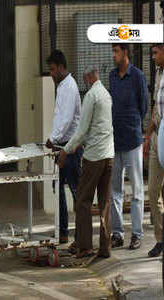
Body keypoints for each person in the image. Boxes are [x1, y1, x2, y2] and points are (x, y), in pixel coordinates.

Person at [57, 65, 114, 258]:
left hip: (94, 156)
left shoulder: (91, 96)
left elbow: (81, 131)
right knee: (105, 202)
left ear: (88, 77)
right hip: (109, 156)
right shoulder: (106, 94)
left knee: (83, 200)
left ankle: (85, 245)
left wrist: (65, 151)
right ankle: (105, 247)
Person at [109, 44, 148, 250]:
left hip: (133, 141)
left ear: (125, 52)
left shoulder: (138, 76)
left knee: (136, 191)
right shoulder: (113, 77)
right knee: (115, 190)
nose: (113, 55)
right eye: (112, 51)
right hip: (115, 142)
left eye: (116, 51)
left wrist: (134, 124)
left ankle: (137, 234)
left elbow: (143, 106)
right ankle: (117, 233)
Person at [45, 50, 82, 245]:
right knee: (57, 187)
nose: (50, 73)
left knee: (76, 191)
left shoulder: (68, 87)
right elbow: (60, 118)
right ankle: (63, 231)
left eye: (52, 69)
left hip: (70, 148)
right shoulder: (62, 86)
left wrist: (53, 138)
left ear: (60, 67)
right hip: (62, 145)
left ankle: (79, 235)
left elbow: (66, 119)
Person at [146, 44, 164, 257]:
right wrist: (148, 135)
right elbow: (154, 108)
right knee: (152, 190)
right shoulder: (158, 73)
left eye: (156, 52)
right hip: (158, 134)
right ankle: (160, 239)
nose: (153, 57)